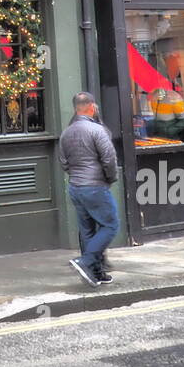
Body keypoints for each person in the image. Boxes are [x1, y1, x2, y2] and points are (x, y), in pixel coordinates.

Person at [58, 92, 119, 287]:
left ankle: (96, 273)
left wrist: (76, 176)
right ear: (92, 107)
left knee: (87, 231)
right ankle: (84, 261)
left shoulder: (66, 133)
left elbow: (64, 162)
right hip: (95, 186)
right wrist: (110, 178)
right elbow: (109, 159)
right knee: (110, 225)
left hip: (76, 187)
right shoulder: (97, 130)